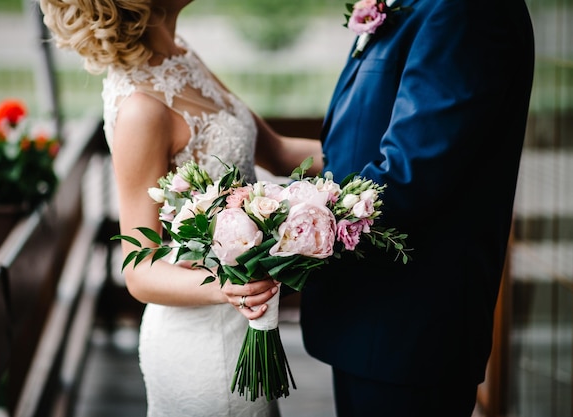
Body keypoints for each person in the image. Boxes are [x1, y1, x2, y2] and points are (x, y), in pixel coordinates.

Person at [38, 1, 322, 416]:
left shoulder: (182, 54)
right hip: (203, 339)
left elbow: (278, 151)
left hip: (248, 321)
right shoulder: (141, 109)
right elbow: (139, 271)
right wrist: (226, 287)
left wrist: (383, 167)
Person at [290, 0, 532, 416]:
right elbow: (350, 146)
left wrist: (282, 229)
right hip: (368, 316)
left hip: (409, 326)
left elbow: (409, 172)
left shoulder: (467, 11)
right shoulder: (414, 6)